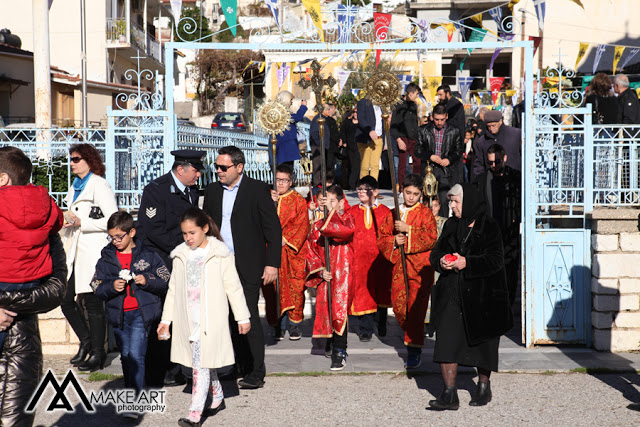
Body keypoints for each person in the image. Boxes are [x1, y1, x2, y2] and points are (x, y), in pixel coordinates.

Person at [158, 207, 251, 426]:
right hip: (187, 318)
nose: (188, 238)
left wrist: (242, 317)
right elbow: (173, 290)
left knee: (199, 364)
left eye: (192, 233)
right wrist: (166, 320)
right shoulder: (181, 255)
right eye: (184, 233)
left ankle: (194, 413)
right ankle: (217, 397)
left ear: (205, 229)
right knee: (202, 362)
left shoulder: (220, 254)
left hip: (210, 319)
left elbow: (233, 287)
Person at [427, 183, 512, 410]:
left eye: (455, 201)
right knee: (447, 339)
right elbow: (435, 254)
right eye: (450, 201)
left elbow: (495, 259)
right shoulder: (451, 225)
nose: (451, 205)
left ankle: (483, 386)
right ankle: (449, 394)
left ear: (469, 201)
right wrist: (442, 262)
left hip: (482, 294)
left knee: (483, 343)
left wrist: (468, 262)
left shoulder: (489, 226)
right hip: (451, 293)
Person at [202, 145, 281, 389]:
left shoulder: (257, 190)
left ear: (239, 167)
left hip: (248, 264)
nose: (218, 171)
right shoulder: (213, 190)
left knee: (247, 315)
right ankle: (237, 365)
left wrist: (272, 264)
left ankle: (256, 371)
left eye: (223, 167)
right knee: (226, 316)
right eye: (216, 167)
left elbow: (273, 230)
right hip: (220, 264)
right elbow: (207, 226)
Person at [0, 147, 67, 426]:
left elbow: (57, 288)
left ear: (3, 179)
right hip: (25, 288)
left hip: (19, 331)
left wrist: (4, 303)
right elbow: (59, 221)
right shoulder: (47, 207)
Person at [137, 149, 206, 387]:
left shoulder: (190, 191)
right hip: (162, 263)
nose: (198, 175)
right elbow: (153, 231)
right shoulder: (156, 190)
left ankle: (177, 367)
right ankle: (158, 370)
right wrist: (182, 249)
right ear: (181, 169)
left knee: (181, 316)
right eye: (195, 170)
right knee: (161, 316)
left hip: (182, 261)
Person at [94, 211, 169, 421]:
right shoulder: (106, 258)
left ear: (132, 232)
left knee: (136, 356)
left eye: (120, 236)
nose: (116, 241)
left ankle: (134, 402)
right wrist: (111, 286)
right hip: (118, 315)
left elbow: (165, 278)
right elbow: (95, 285)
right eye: (112, 237)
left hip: (140, 314)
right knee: (126, 357)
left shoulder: (148, 255)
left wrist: (148, 279)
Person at [60, 143, 118, 372]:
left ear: (89, 160)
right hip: (74, 251)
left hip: (93, 252)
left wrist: (83, 222)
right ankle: (86, 342)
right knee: (65, 299)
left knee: (93, 304)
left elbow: (113, 219)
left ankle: (98, 353)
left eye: (76, 159)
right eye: (71, 159)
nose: (72, 163)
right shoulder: (75, 186)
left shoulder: (99, 184)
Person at [0, 147, 63, 351]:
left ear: (3, 179)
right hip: (32, 280)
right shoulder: (44, 200)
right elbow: (57, 223)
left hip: (4, 277)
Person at [378, 174, 437, 369]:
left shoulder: (425, 213)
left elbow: (430, 237)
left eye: (415, 194)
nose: (411, 197)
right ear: (401, 190)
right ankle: (410, 335)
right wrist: (394, 242)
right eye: (408, 192)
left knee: (416, 310)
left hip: (420, 269)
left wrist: (408, 229)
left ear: (421, 194)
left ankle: (414, 350)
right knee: (400, 306)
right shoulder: (393, 212)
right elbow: (382, 238)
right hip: (399, 268)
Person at [305, 185, 355, 371]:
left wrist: (332, 212)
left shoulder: (348, 219)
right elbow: (311, 251)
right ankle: (330, 342)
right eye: (326, 202)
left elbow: (343, 232)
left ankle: (340, 351)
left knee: (339, 312)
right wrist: (319, 270)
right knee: (326, 309)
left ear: (342, 202)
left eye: (333, 201)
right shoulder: (317, 225)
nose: (328, 205)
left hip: (344, 272)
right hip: (326, 274)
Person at [474, 144, 521, 307]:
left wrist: (517, 219)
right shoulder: (482, 180)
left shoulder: (516, 178)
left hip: (510, 234)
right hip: (489, 235)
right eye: (490, 163)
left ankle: (507, 306)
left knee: (509, 272)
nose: (493, 165)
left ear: (505, 158)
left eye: (497, 162)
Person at [347, 176, 393, 340]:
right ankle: (365, 329)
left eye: (365, 189)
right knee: (363, 294)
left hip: (380, 261)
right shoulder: (351, 212)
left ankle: (381, 324)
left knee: (380, 293)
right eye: (359, 189)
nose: (361, 192)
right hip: (359, 262)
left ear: (375, 191)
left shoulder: (385, 212)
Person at [270, 164, 310, 340]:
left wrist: (286, 239)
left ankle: (294, 325)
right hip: (272, 250)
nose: (280, 184)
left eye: (284, 180)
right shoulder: (267, 197)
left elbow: (303, 224)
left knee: (295, 287)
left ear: (290, 181)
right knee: (274, 288)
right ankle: (277, 324)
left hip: (292, 251)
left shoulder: (298, 200)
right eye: (277, 180)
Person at [415, 104, 464, 217]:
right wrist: (430, 156)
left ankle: (442, 226)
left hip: (445, 171)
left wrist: (449, 159)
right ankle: (426, 225)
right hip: (429, 170)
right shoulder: (423, 130)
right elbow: (417, 150)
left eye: (442, 119)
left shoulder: (454, 131)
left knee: (444, 200)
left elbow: (459, 150)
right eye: (436, 119)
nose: (439, 123)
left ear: (446, 116)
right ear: (432, 117)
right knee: (427, 201)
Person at [391, 83, 422, 187]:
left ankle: (417, 185)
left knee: (418, 163)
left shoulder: (414, 105)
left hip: (414, 138)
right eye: (416, 94)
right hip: (403, 138)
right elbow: (393, 125)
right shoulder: (398, 106)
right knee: (402, 166)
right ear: (410, 93)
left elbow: (414, 122)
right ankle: (401, 188)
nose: (417, 96)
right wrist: (399, 140)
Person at [473, 110, 521, 175]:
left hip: (514, 178)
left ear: (500, 121)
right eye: (489, 126)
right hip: (491, 180)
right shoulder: (482, 141)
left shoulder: (516, 135)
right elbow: (479, 164)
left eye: (494, 125)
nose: (491, 128)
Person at [274, 91, 308, 167]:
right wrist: (303, 106)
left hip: (285, 147)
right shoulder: (282, 114)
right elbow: (297, 117)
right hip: (286, 148)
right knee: (286, 170)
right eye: (290, 101)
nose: (291, 103)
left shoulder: (279, 113)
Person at [356, 95, 384, 180]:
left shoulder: (382, 105)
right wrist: (369, 130)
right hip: (366, 138)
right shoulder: (363, 102)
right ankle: (364, 188)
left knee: (375, 166)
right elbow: (361, 119)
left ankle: (373, 187)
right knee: (365, 166)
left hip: (379, 138)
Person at [310, 103, 338, 185]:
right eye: (328, 109)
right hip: (318, 146)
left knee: (322, 166)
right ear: (323, 110)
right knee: (318, 166)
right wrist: (320, 144)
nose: (330, 111)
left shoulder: (324, 119)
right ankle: (316, 185)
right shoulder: (318, 119)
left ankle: (322, 184)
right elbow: (314, 133)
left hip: (323, 146)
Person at [340, 108, 360, 190]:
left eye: (357, 112)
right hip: (350, 147)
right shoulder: (347, 122)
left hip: (359, 146)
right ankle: (351, 185)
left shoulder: (362, 123)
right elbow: (342, 131)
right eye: (354, 112)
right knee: (352, 166)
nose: (355, 114)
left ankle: (358, 184)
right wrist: (344, 141)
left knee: (359, 166)